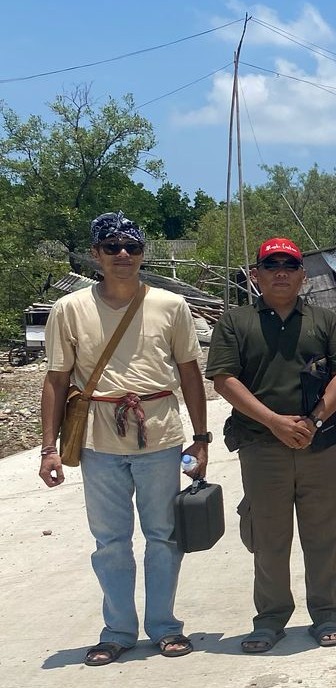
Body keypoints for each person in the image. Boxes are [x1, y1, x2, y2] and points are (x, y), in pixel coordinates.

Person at [38, 212, 209, 665]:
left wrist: (201, 438)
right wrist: (49, 449)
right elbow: (56, 379)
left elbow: (190, 372)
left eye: (131, 247)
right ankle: (117, 630)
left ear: (142, 253)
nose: (122, 254)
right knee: (110, 540)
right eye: (112, 246)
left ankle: (165, 626)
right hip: (98, 441)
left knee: (164, 536)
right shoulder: (69, 308)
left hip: (160, 435)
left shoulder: (171, 305)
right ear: (95, 253)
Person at [206, 237, 336, 652]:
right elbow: (224, 380)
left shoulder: (325, 320)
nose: (281, 273)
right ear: (255, 275)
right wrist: (273, 422)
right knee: (268, 537)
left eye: (289, 266)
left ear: (302, 275)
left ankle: (327, 615)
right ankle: (270, 619)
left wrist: (314, 419)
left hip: (319, 445)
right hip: (261, 446)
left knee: (324, 534)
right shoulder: (235, 322)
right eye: (271, 266)